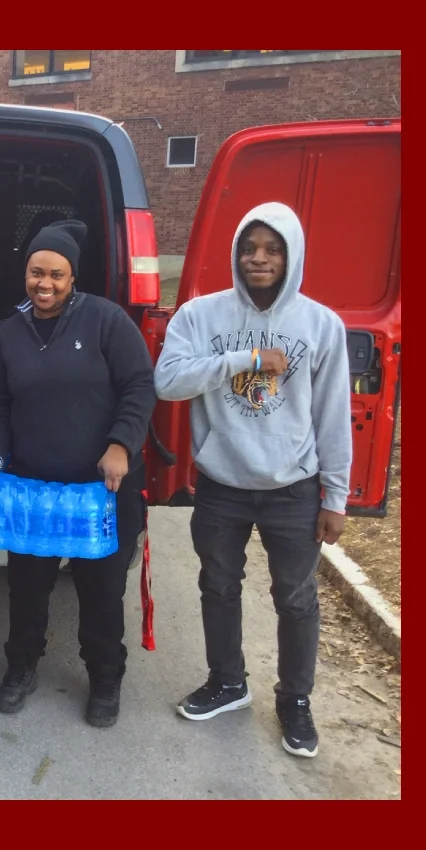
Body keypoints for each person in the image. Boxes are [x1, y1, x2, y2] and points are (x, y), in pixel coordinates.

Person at [154, 201, 352, 759]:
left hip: (294, 487)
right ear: (235, 253)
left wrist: (334, 496)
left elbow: (333, 415)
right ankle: (228, 682)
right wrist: (242, 359)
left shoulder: (321, 325)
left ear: (292, 255)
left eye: (272, 249)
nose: (258, 258)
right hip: (222, 484)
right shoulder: (199, 316)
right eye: (250, 248)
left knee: (295, 598)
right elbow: (167, 381)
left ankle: (295, 699)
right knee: (218, 585)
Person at [0, 220, 157, 727]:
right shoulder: (10, 333)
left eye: (56, 274)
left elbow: (140, 386)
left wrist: (121, 445)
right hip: (36, 488)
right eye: (37, 272)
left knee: (101, 591)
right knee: (27, 587)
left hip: (102, 488)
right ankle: (21, 668)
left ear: (73, 277)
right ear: (25, 273)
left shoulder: (106, 321)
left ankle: (104, 678)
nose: (45, 284)